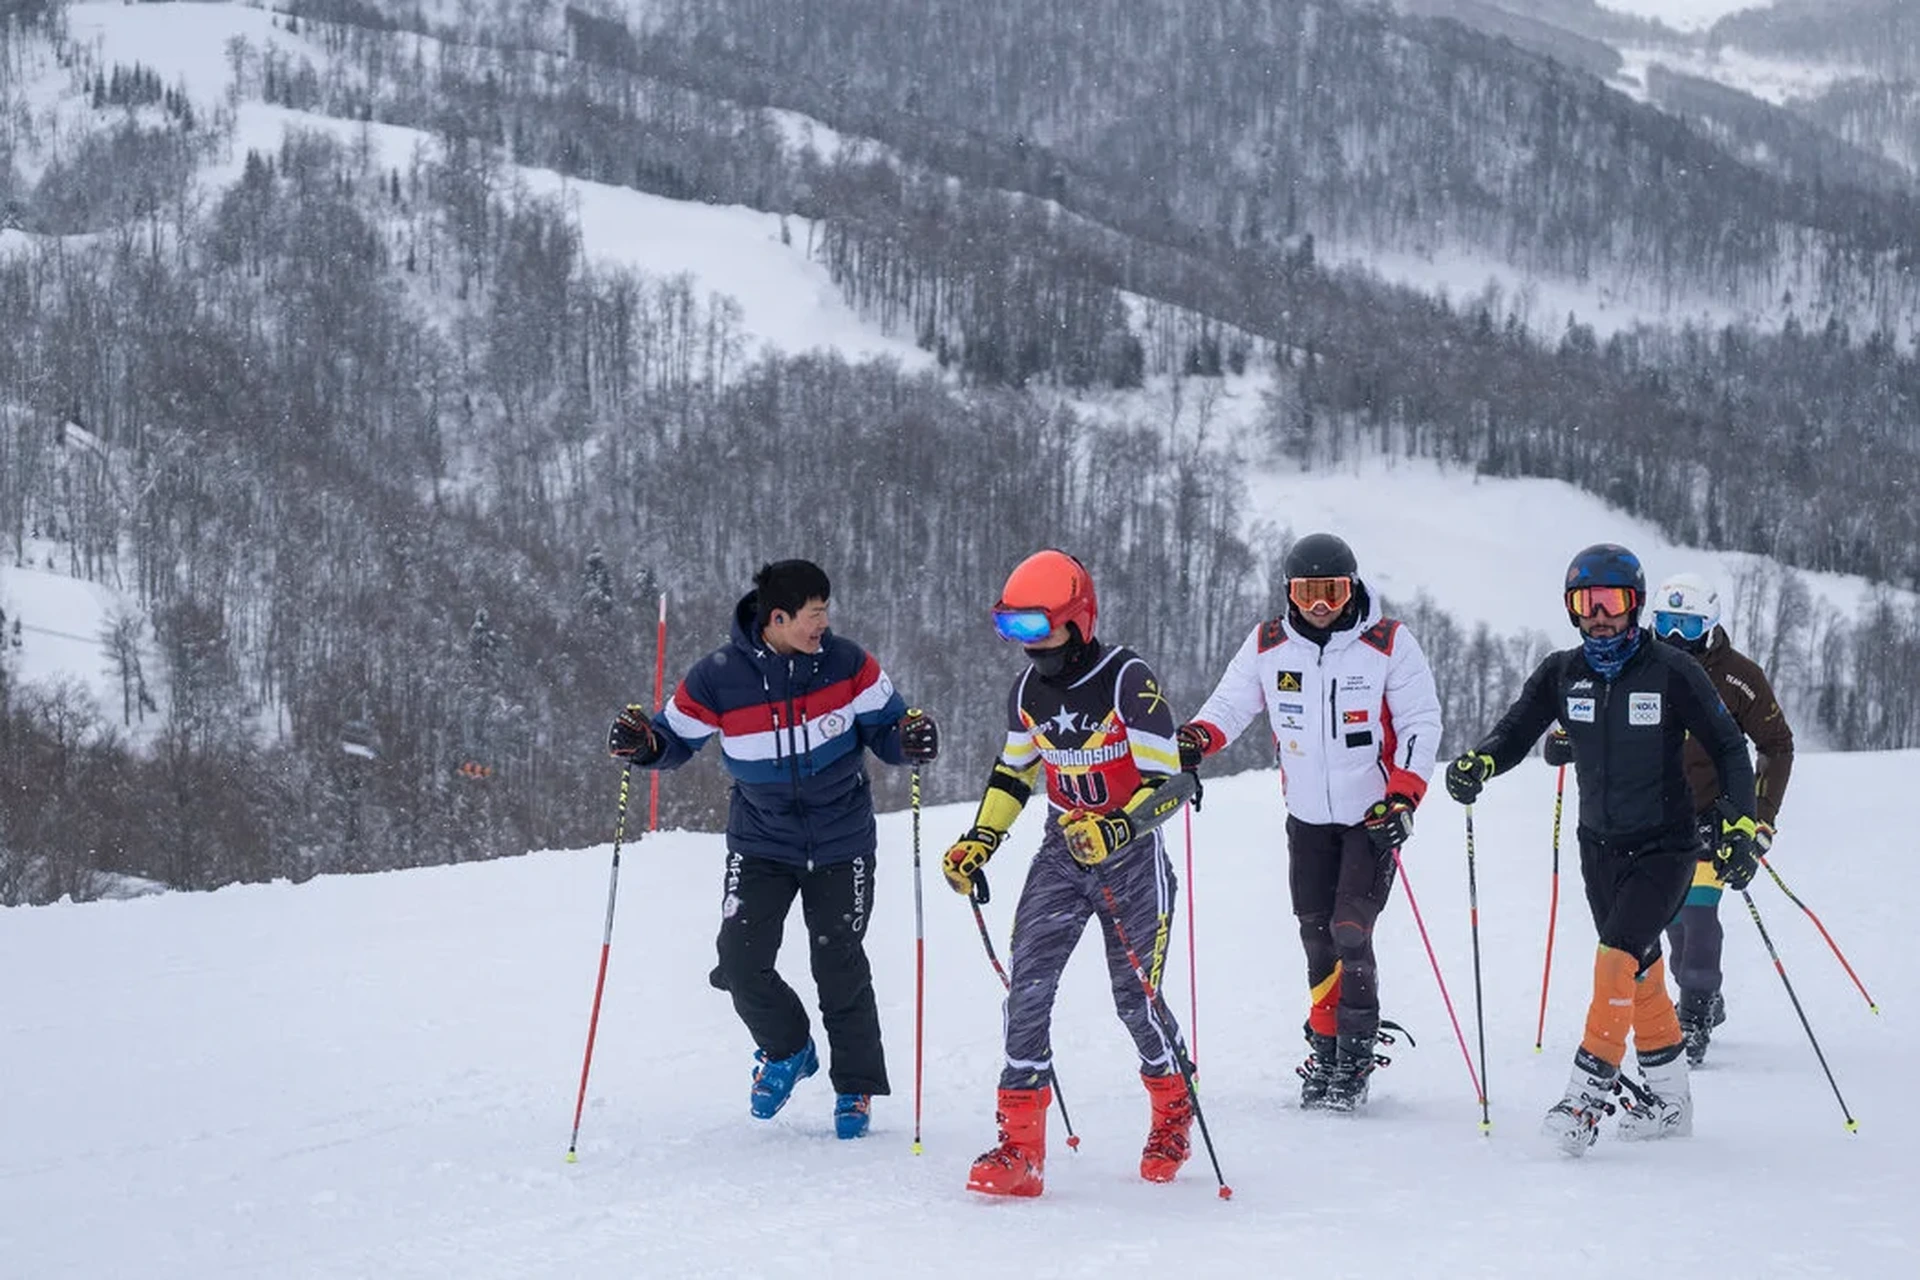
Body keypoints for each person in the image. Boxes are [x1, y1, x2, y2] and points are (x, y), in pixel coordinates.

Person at [1445, 544, 1760, 1156]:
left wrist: (1742, 822)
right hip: (1599, 848)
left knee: (1615, 960)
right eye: (1584, 604)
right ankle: (1670, 1103)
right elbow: (1515, 730)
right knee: (1638, 966)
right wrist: (1482, 760)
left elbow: (1727, 745)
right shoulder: (1564, 673)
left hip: (1668, 844)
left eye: (1611, 603)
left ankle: (1585, 1100)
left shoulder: (1671, 670)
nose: (1599, 616)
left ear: (1634, 604)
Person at [606, 559, 938, 1140]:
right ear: (777, 618)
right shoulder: (719, 677)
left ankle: (855, 1088)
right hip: (762, 841)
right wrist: (641, 744)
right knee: (739, 959)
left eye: (826, 613)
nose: (823, 626)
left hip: (842, 841)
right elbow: (673, 739)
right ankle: (786, 1047)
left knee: (839, 965)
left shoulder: (848, 664)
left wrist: (909, 739)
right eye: (814, 616)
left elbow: (889, 728)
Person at [940, 549, 1198, 1197]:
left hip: (1131, 856)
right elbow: (1014, 772)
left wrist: (1116, 827)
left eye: (1035, 627)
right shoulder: (1028, 692)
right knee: (1027, 985)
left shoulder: (1125, 680)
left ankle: (1173, 1110)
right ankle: (1019, 1149)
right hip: (1063, 851)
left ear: (1077, 621)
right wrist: (981, 840)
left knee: (1133, 1000)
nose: (1026, 646)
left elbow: (1174, 784)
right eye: (1012, 629)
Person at [1177, 532, 1442, 1113]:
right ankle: (1325, 1048)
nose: (1319, 604)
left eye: (1332, 590)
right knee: (1314, 937)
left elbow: (1421, 722)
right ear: (1289, 593)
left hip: (1371, 817)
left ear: (1351, 588)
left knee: (1352, 930)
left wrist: (1404, 797)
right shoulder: (1270, 643)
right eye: (1306, 592)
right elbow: (1230, 703)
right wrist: (1198, 737)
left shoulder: (1389, 643)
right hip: (1307, 818)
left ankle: (1356, 1055)